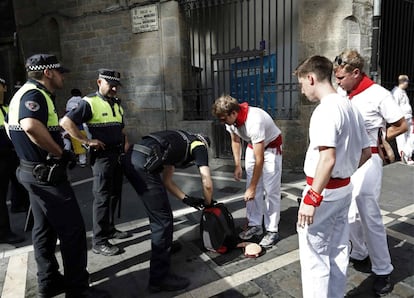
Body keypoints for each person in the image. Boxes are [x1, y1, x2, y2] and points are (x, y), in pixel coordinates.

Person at [6, 54, 109, 297]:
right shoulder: (35, 95)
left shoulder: (22, 94)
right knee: (73, 231)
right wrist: (58, 154)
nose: (63, 76)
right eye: (60, 72)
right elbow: (30, 125)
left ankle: (49, 281)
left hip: (32, 170)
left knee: (44, 230)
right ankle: (78, 289)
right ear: (48, 73)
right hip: (47, 175)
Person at [294, 55, 371, 298]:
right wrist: (344, 173)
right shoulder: (350, 106)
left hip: (323, 193)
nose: (302, 90)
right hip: (343, 189)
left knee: (314, 258)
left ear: (311, 78)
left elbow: (327, 159)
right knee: (337, 251)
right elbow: (366, 153)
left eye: (302, 84)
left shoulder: (325, 111)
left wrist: (312, 198)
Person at [333, 49, 408, 296]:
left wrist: (380, 136)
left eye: (341, 76)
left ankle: (383, 269)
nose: (338, 81)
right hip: (346, 161)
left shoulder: (378, 94)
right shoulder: (343, 93)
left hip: (369, 158)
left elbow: (402, 124)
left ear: (356, 72)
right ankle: (360, 251)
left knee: (368, 212)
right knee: (349, 210)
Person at [121, 129, 213, 292]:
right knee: (163, 221)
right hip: (143, 163)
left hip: (133, 158)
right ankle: (159, 279)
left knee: (157, 213)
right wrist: (209, 203)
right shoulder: (200, 146)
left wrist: (187, 199)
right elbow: (206, 181)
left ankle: (166, 246)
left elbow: (167, 181)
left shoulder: (178, 140)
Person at [60, 68, 131, 256]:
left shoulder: (116, 103)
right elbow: (66, 123)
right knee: (102, 197)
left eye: (117, 86)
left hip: (116, 155)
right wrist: (86, 142)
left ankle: (109, 228)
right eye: (111, 85)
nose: (115, 89)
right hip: (102, 157)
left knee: (115, 194)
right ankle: (99, 241)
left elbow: (121, 128)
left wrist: (126, 143)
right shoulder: (89, 102)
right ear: (99, 82)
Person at [212, 94, 282, 248]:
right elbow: (235, 140)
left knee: (271, 190)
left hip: (271, 148)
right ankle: (255, 225)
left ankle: (272, 230)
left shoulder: (254, 121)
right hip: (253, 145)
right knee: (252, 190)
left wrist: (252, 186)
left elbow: (260, 159)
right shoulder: (230, 121)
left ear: (233, 113)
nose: (222, 122)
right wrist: (238, 165)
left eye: (223, 119)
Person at [0, 76, 26, 244]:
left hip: (11, 155)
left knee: (22, 185)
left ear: (4, 88)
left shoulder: (8, 108)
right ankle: (3, 232)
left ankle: (19, 206)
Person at [391, 75, 414, 164]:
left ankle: (407, 153)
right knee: (402, 138)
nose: (408, 83)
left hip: (408, 117)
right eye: (407, 81)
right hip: (402, 117)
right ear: (403, 82)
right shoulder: (396, 92)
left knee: (411, 136)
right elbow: (394, 106)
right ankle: (404, 155)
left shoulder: (403, 91)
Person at [65, 88, 87, 167]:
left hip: (73, 126)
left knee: (76, 143)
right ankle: (83, 161)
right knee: (83, 143)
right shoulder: (83, 100)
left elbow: (67, 114)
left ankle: (72, 159)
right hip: (83, 125)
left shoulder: (69, 102)